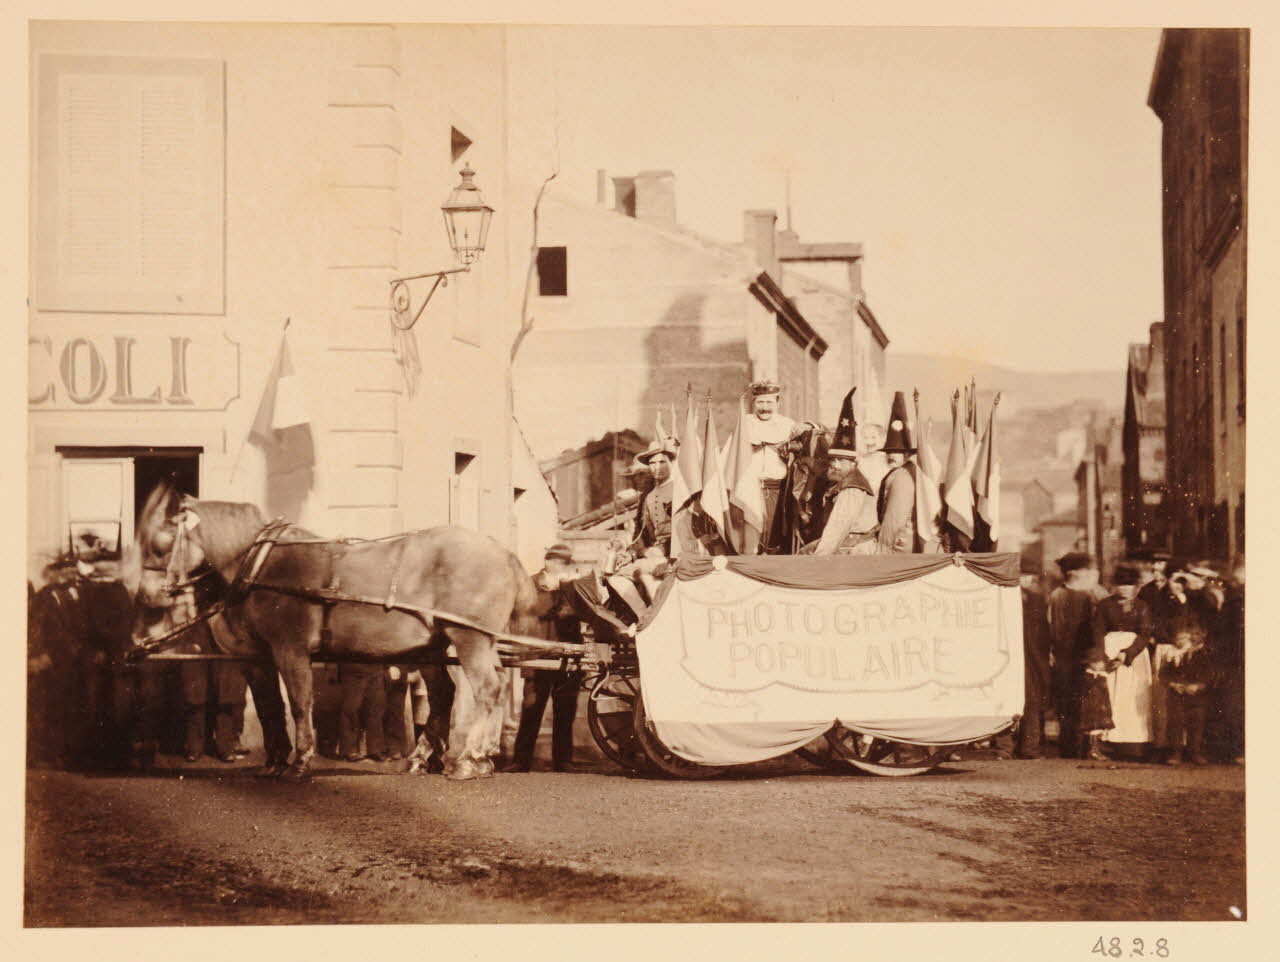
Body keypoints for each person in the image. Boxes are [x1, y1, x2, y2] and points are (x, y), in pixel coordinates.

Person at [504, 544, 587, 773]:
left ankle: (563, 761)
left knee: (566, 710)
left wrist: (569, 589)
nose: (561, 567)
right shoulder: (530, 584)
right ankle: (521, 761)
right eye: (557, 562)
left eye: (565, 563)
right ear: (547, 562)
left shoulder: (573, 586)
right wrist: (552, 594)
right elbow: (525, 612)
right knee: (531, 708)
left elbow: (584, 613)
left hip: (568, 654)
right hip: (536, 654)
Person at [740, 380, 813, 552]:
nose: (764, 407)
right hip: (748, 490)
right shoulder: (744, 423)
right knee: (751, 538)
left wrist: (809, 425)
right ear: (753, 402)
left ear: (777, 402)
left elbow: (816, 439)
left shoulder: (787, 425)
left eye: (769, 402)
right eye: (760, 402)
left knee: (775, 539)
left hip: (778, 491)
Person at [1092, 563, 1155, 756]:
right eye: (1121, 585)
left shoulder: (1142, 606)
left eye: (1129, 585)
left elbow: (1145, 634)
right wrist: (1102, 656)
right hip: (1109, 651)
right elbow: (1097, 631)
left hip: (1134, 656)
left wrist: (1128, 653)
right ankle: (1109, 740)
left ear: (1135, 587)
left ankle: (1135, 742)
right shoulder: (1105, 605)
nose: (1125, 589)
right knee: (1112, 695)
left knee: (1133, 695)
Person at [806, 389, 878, 556]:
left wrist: (818, 559)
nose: (835, 465)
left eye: (841, 461)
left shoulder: (851, 487)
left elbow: (837, 528)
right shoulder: (845, 479)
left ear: (853, 463)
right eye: (833, 460)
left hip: (855, 551)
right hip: (848, 546)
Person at [1047, 552, 1099, 758]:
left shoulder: (1063, 594)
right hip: (1068, 655)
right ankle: (1071, 745)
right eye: (1085, 569)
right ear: (1075, 572)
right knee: (1069, 701)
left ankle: (1078, 745)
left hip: (1078, 654)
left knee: (1079, 701)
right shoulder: (1065, 596)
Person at [876, 391, 934, 554]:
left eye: (897, 452)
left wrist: (882, 551)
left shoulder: (902, 476)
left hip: (900, 547)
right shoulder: (909, 471)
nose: (890, 456)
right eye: (888, 451)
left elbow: (894, 520)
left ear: (907, 454)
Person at [1161, 624, 1215, 765]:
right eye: (1190, 634)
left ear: (1203, 635)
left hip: (1197, 694)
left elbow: (1212, 674)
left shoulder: (1208, 652)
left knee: (1196, 724)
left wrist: (1198, 685)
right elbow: (1165, 673)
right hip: (1178, 693)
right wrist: (1173, 684)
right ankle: (1175, 753)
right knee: (1176, 722)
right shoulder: (1176, 653)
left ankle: (1195, 752)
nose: (1192, 637)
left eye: (1196, 634)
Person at [1015, 558, 1052, 758]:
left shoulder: (1036, 599)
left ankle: (1029, 748)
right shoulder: (1008, 597)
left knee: (1032, 700)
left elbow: (1043, 631)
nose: (1028, 580)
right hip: (1019, 655)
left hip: (1032, 656)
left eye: (1030, 576)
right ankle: (1011, 748)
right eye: (1024, 576)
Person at [338, 662, 388, 762]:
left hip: (376, 668)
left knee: (376, 708)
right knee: (351, 708)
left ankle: (375, 749)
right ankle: (349, 750)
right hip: (353, 669)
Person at [1078, 649, 1116, 761]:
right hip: (1094, 709)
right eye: (1101, 663)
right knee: (1094, 729)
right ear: (1094, 664)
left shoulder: (1097, 676)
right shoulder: (1092, 677)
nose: (1103, 665)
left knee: (1096, 730)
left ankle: (1092, 750)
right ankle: (1093, 750)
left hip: (1098, 708)